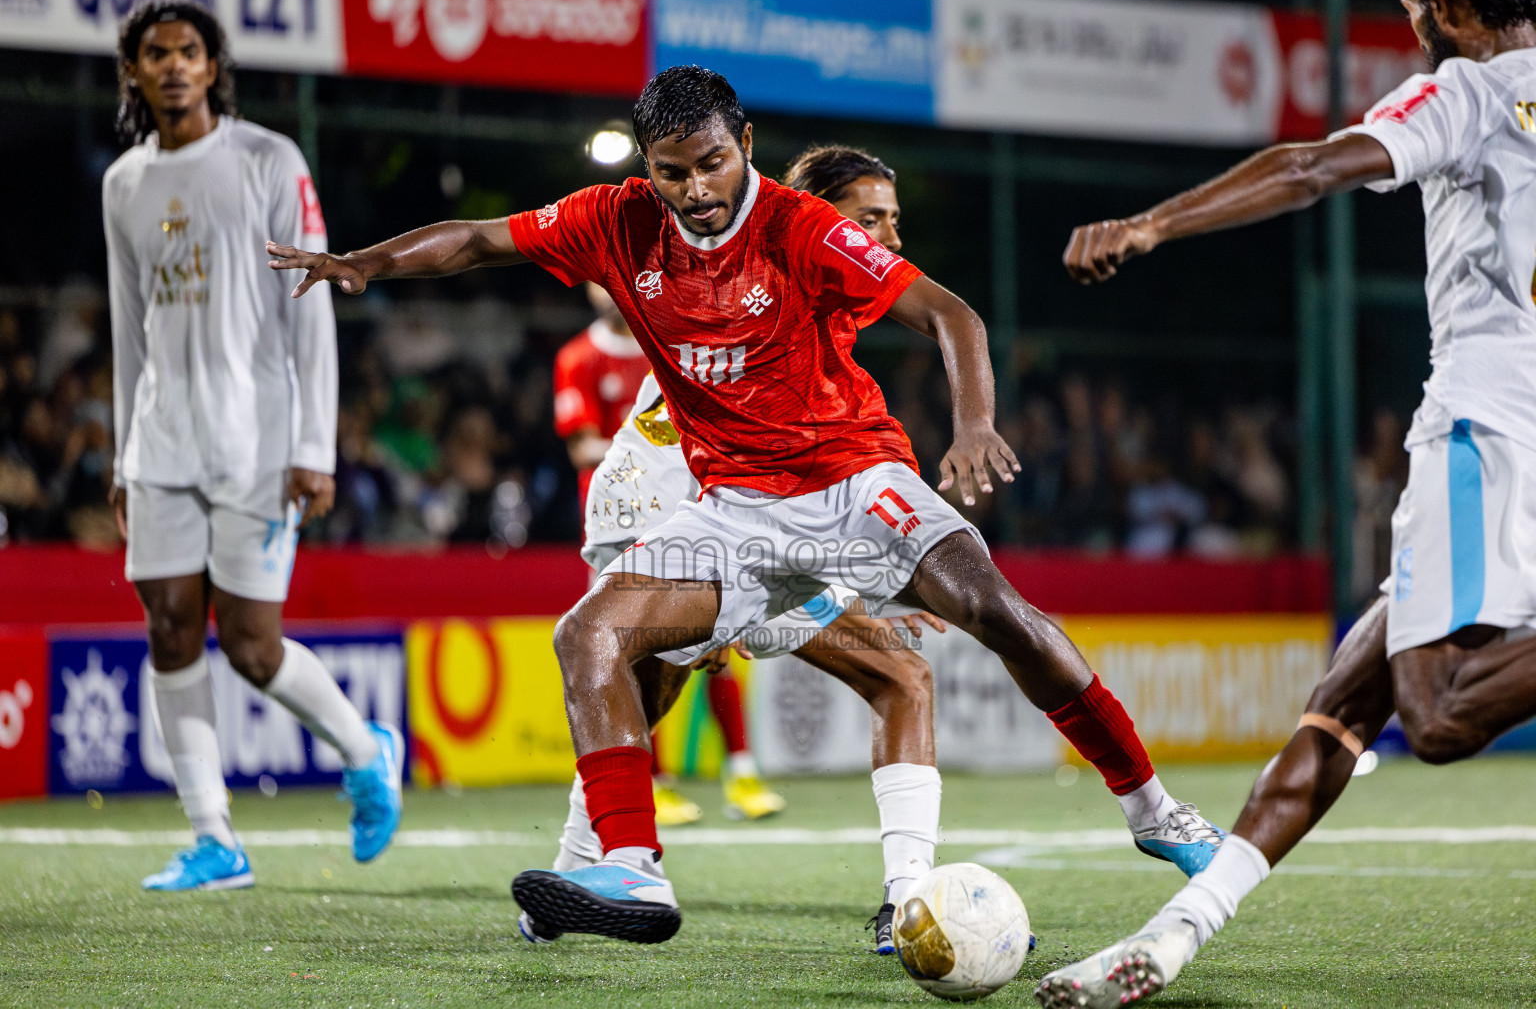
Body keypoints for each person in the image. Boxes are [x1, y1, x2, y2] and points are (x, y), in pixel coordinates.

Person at [268, 65, 1224, 946]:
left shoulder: (802, 226)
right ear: (649, 168)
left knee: (991, 609)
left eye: (712, 163)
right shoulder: (616, 219)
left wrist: (973, 425)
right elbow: (481, 240)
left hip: (855, 481)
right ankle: (632, 868)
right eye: (672, 171)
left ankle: (1154, 811)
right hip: (728, 512)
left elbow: (950, 314)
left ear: (749, 144)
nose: (695, 189)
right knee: (589, 636)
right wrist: (368, 264)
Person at [1039, 0, 1536, 1005]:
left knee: (1433, 714)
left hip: (1490, 431)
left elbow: (1314, 167)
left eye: (1409, 0)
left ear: (1442, 1)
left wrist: (1152, 223)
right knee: (1340, 709)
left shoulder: (1471, 91)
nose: (1410, 19)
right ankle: (1173, 937)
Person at [541, 144, 944, 954]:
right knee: (900, 676)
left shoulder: (779, 284)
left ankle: (567, 882)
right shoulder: (776, 288)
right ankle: (908, 907)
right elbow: (765, 470)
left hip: (689, 513)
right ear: (819, 220)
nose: (886, 247)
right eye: (869, 224)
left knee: (646, 702)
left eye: (893, 226)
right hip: (677, 512)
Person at [105, 0, 402, 892]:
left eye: (187, 51)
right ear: (133, 72)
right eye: (153, 54)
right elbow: (129, 327)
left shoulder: (269, 158)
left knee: (251, 644)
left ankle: (363, 749)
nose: (170, 67)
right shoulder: (122, 183)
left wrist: (316, 444)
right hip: (161, 442)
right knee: (166, 624)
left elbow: (310, 304)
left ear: (212, 65)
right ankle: (214, 838)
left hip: (258, 441)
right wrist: (124, 453)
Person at [555, 280, 783, 827]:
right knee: (627, 653)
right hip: (616, 524)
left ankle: (743, 771)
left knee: (714, 636)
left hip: (690, 513)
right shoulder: (578, 358)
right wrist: (643, 445)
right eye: (595, 281)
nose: (606, 290)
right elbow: (579, 445)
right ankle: (651, 784)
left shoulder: (677, 345)